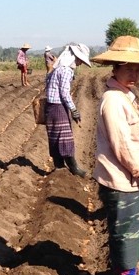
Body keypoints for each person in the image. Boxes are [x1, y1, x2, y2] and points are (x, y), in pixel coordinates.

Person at [91, 36, 139, 275]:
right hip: (122, 179)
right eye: (128, 68)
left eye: (138, 68)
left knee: (135, 228)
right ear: (115, 68)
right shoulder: (113, 100)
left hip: (130, 178)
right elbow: (120, 143)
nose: (134, 73)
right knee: (126, 232)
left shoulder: (125, 96)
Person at [45, 42, 91, 176]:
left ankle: (59, 167)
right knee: (65, 138)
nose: (80, 63)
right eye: (80, 60)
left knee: (55, 137)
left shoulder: (57, 68)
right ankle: (74, 169)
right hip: (58, 107)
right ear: (74, 57)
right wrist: (74, 110)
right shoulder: (65, 70)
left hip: (50, 107)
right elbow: (65, 93)